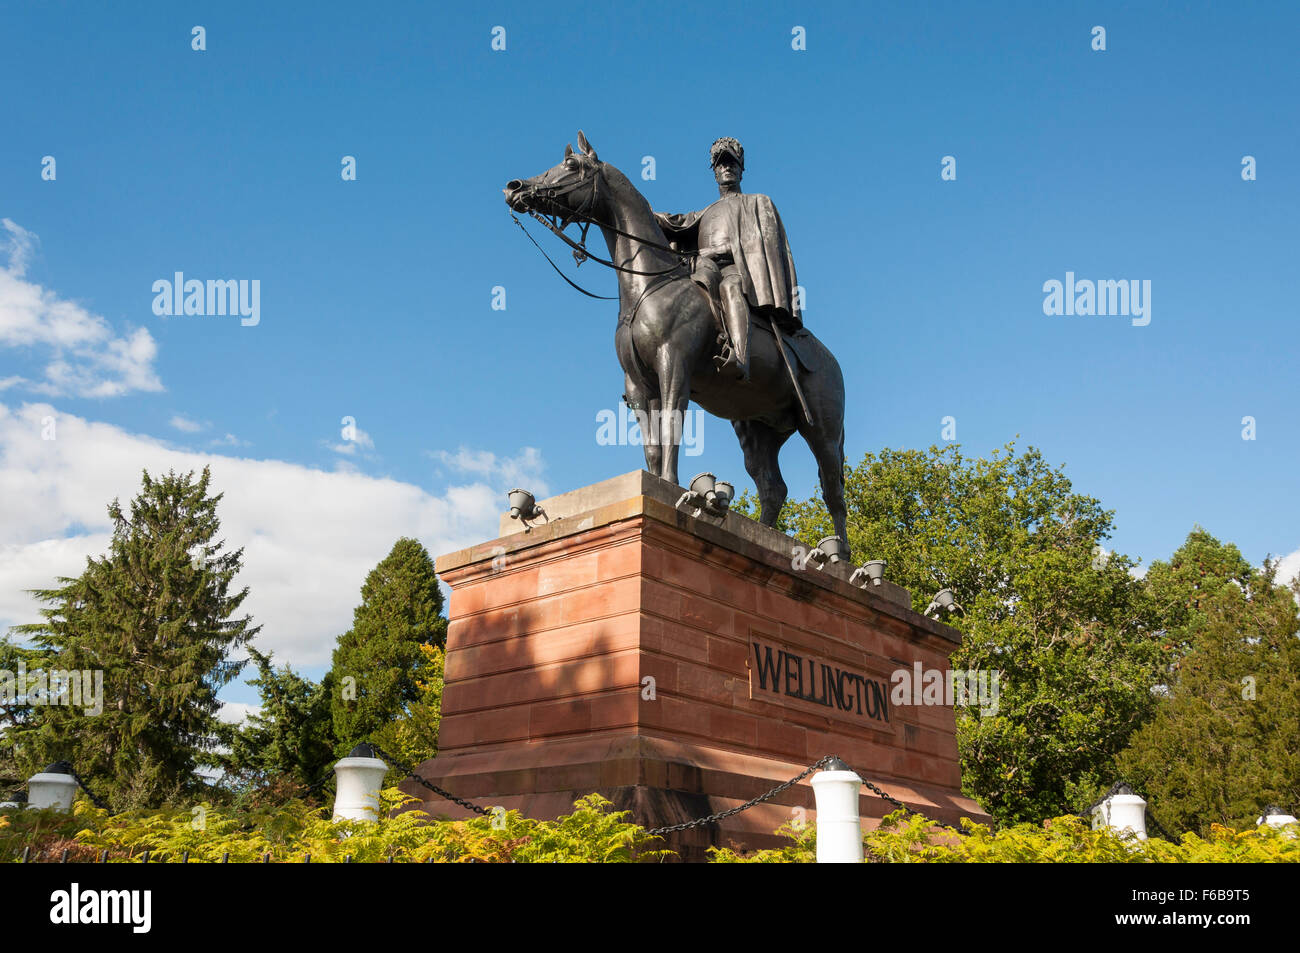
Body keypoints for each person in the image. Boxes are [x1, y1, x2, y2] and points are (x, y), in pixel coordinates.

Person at [654, 137, 802, 381]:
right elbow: (673, 222)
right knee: (681, 297)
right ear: (714, 173)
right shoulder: (704, 213)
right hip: (704, 268)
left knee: (730, 288)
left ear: (741, 170)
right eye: (721, 165)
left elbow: (765, 242)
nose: (727, 168)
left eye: (732, 164)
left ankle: (740, 358)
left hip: (736, 269)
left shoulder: (755, 203)